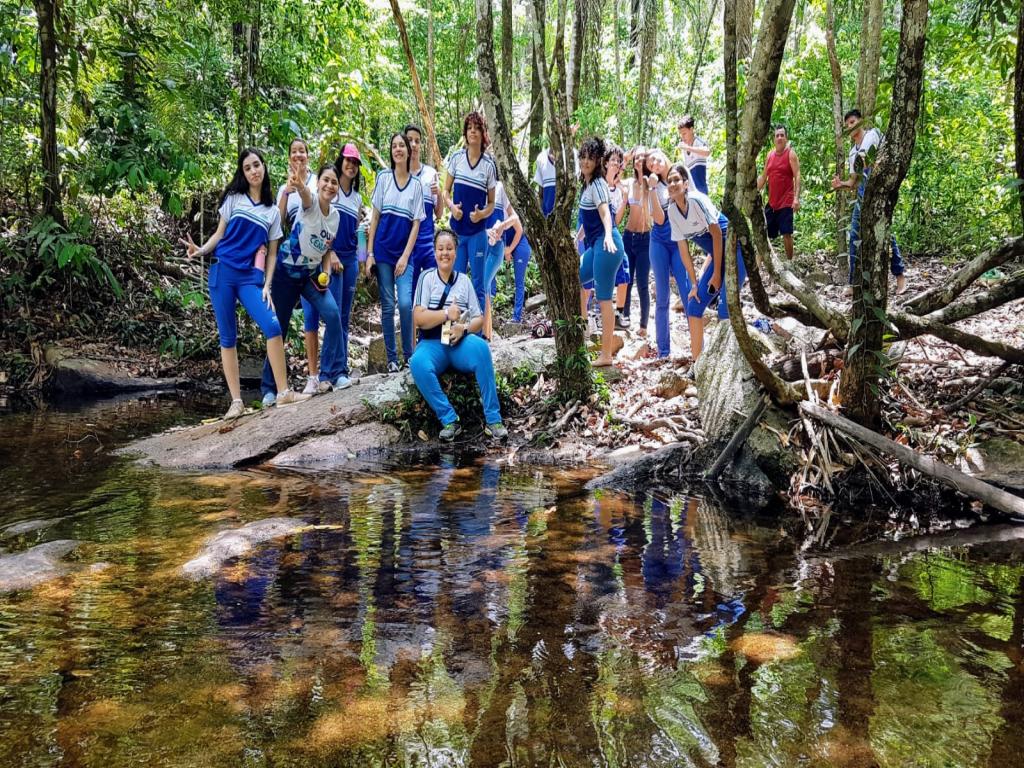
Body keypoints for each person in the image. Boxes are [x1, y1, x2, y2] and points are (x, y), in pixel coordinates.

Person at [180, 148, 309, 419]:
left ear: (264, 167)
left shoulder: (272, 211)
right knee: (228, 338)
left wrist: (267, 285)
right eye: (247, 167)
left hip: (250, 278)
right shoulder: (234, 198)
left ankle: (283, 393)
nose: (253, 171)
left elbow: (272, 252)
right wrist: (200, 250)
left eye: (256, 165)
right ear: (243, 172)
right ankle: (236, 401)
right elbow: (219, 235)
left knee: (273, 326)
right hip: (223, 273)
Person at [259, 162, 347, 402]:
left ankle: (331, 374)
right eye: (325, 180)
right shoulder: (310, 203)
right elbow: (306, 195)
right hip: (285, 273)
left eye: (334, 182)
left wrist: (326, 272)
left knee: (332, 314)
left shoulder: (336, 217)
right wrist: (299, 185)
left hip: (310, 275)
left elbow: (327, 250)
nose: (329, 185)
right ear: (318, 183)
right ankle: (269, 389)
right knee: (278, 327)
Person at [409, 228, 508, 442]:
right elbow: (418, 318)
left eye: (449, 248)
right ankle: (449, 420)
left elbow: (478, 319)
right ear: (435, 252)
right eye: (440, 249)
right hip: (432, 344)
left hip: (458, 343)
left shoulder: (464, 281)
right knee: (417, 363)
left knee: (481, 349)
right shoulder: (426, 278)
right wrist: (446, 314)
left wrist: (463, 329)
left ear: (456, 252)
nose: (444, 253)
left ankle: (493, 420)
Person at [666, 163, 747, 360]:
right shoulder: (672, 211)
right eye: (669, 181)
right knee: (694, 306)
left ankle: (727, 364)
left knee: (725, 310)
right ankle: (698, 364)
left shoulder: (697, 200)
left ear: (686, 184)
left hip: (736, 250)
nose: (672, 184)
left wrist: (717, 274)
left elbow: (717, 234)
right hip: (718, 256)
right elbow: (683, 250)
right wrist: (694, 284)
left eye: (676, 180)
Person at [303, 143, 363, 391]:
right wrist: (332, 253)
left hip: (351, 261)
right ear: (341, 161)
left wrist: (362, 257)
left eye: (355, 163)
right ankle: (327, 373)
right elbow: (322, 226)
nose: (351, 166)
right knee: (333, 315)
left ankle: (340, 370)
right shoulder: (329, 191)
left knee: (344, 317)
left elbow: (358, 231)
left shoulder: (357, 197)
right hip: (333, 260)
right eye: (348, 160)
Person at [831, 108, 907, 295]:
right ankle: (853, 283)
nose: (850, 126)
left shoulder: (873, 135)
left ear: (861, 122)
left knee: (884, 232)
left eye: (853, 122)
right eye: (847, 124)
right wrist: (840, 184)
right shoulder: (852, 153)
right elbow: (853, 182)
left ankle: (900, 276)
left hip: (878, 190)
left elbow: (883, 159)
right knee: (854, 236)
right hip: (862, 194)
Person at [367, 132, 425, 372]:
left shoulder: (416, 185)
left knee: (405, 303)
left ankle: (410, 356)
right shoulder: (383, 178)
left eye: (402, 145)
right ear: (391, 152)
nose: (398, 149)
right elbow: (374, 218)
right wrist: (368, 254)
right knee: (388, 305)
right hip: (382, 252)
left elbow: (416, 224)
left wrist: (405, 257)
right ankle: (392, 359)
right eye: (394, 146)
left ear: (408, 151)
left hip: (405, 255)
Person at [274, 138, 320, 399]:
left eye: (302, 151)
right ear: (289, 157)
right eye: (294, 152)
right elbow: (278, 221)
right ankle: (274, 387)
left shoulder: (316, 181)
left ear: (308, 156)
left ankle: (317, 375)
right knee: (281, 320)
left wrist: (301, 186)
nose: (298, 155)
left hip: (314, 259)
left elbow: (318, 210)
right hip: (290, 261)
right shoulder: (284, 188)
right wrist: (286, 191)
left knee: (316, 314)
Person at [577, 136, 624, 367]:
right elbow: (590, 218)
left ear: (598, 161)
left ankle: (606, 355)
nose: (586, 161)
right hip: (596, 244)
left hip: (607, 244)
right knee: (575, 277)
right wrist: (577, 237)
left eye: (591, 158)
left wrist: (607, 235)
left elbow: (605, 214)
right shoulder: (586, 185)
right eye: (583, 157)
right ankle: (582, 333)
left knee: (604, 298)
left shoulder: (597, 184)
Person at [444, 111, 497, 310]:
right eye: (469, 128)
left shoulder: (488, 165)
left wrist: (481, 214)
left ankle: (478, 328)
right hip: (457, 233)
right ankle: (453, 327)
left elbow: (492, 203)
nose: (472, 131)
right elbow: (445, 191)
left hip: (477, 234)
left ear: (483, 133)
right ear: (465, 133)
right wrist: (451, 207)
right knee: (455, 281)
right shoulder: (457, 158)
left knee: (478, 285)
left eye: (476, 128)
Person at [644, 148, 690, 358]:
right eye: (650, 163)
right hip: (659, 240)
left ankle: (698, 347)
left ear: (663, 155)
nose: (654, 163)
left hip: (678, 238)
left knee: (687, 291)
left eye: (656, 158)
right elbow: (659, 219)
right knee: (662, 296)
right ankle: (663, 351)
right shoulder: (651, 186)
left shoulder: (679, 174)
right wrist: (652, 188)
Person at [405, 124, 443, 301]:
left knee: (432, 290)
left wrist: (439, 194)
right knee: (410, 294)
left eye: (417, 141)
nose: (413, 144)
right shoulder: (399, 175)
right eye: (409, 140)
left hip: (427, 243)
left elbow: (439, 214)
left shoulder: (430, 173)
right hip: (407, 246)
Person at [757, 124, 801, 260]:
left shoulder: (791, 154)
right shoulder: (770, 155)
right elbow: (764, 177)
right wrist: (753, 190)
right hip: (772, 203)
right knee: (763, 234)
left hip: (786, 201)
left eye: (782, 135)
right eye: (777, 135)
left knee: (786, 234)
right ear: (774, 139)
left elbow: (797, 175)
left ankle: (789, 263)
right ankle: (757, 266)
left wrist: (796, 198)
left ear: (786, 138)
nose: (780, 138)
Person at [622, 146, 652, 336]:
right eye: (637, 158)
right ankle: (624, 318)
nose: (639, 160)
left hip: (645, 239)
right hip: (628, 236)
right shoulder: (628, 183)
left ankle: (643, 325)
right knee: (626, 280)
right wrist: (624, 160)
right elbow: (612, 180)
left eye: (643, 157)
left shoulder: (651, 184)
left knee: (642, 283)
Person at [605, 144, 631, 329]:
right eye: (612, 159)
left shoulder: (619, 189)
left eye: (618, 160)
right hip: (598, 232)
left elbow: (618, 219)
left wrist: (625, 198)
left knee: (624, 269)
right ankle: (595, 314)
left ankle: (618, 313)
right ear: (605, 162)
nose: (615, 163)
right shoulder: (598, 184)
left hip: (613, 231)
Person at [677, 115, 711, 195]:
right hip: (690, 191)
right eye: (681, 134)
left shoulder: (698, 141)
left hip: (701, 189)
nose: (682, 137)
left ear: (691, 130)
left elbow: (707, 151)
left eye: (684, 133)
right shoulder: (684, 148)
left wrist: (688, 148)